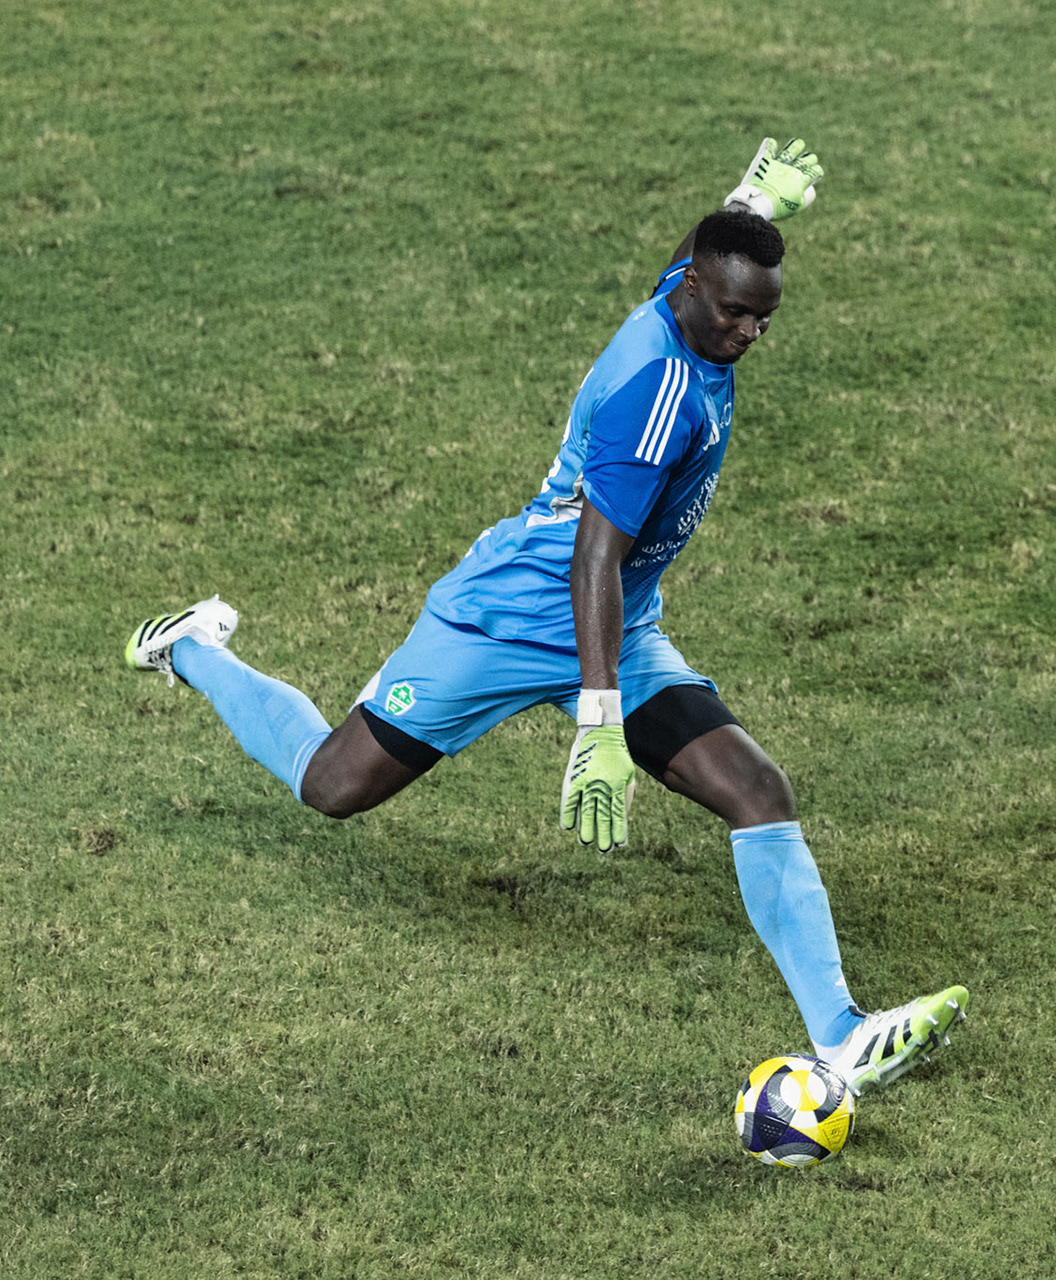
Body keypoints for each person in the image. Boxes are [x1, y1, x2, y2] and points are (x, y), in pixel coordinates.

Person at [123, 138, 968, 1091]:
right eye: (734, 311)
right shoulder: (658, 389)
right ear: (695, 289)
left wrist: (745, 202)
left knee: (757, 791)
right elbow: (592, 557)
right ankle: (193, 646)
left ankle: (841, 1034)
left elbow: (709, 259)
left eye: (764, 317)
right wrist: (600, 722)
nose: (749, 335)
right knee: (332, 786)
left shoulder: (682, 304)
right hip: (508, 620)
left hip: (616, 621)